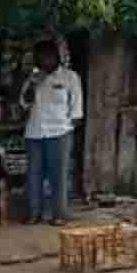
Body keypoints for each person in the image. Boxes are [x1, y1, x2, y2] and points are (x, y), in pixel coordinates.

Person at [20, 40, 83, 227]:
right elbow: (24, 103)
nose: (42, 60)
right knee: (34, 175)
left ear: (56, 56)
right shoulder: (33, 78)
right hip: (35, 133)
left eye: (46, 55)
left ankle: (59, 214)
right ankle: (34, 213)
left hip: (60, 133)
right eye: (39, 56)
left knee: (59, 175)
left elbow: (76, 108)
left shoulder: (70, 77)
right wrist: (33, 84)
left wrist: (68, 128)